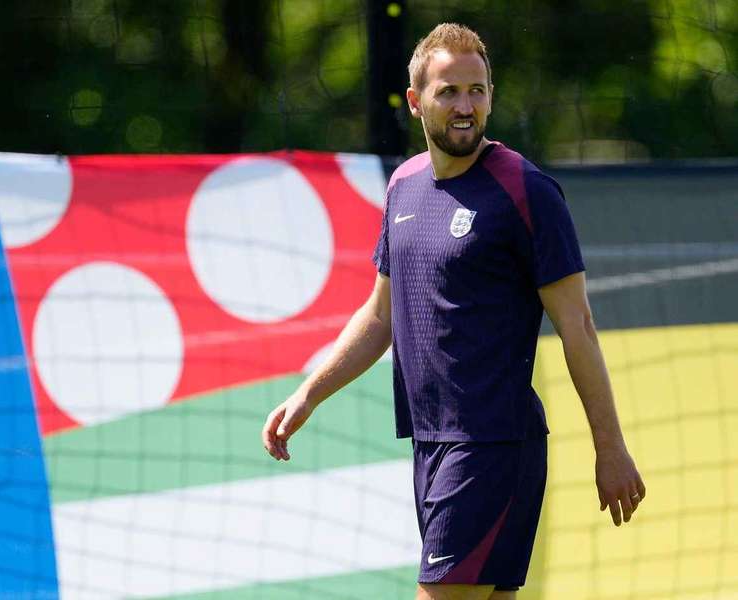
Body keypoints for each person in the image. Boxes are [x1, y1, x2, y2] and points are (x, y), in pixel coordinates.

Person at [261, 22, 645, 600]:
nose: (466, 107)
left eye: (478, 90)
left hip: (493, 443)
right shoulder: (403, 186)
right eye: (449, 92)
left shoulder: (527, 190)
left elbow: (578, 327)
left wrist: (610, 449)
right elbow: (380, 315)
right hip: (431, 443)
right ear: (417, 101)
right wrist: (307, 394)